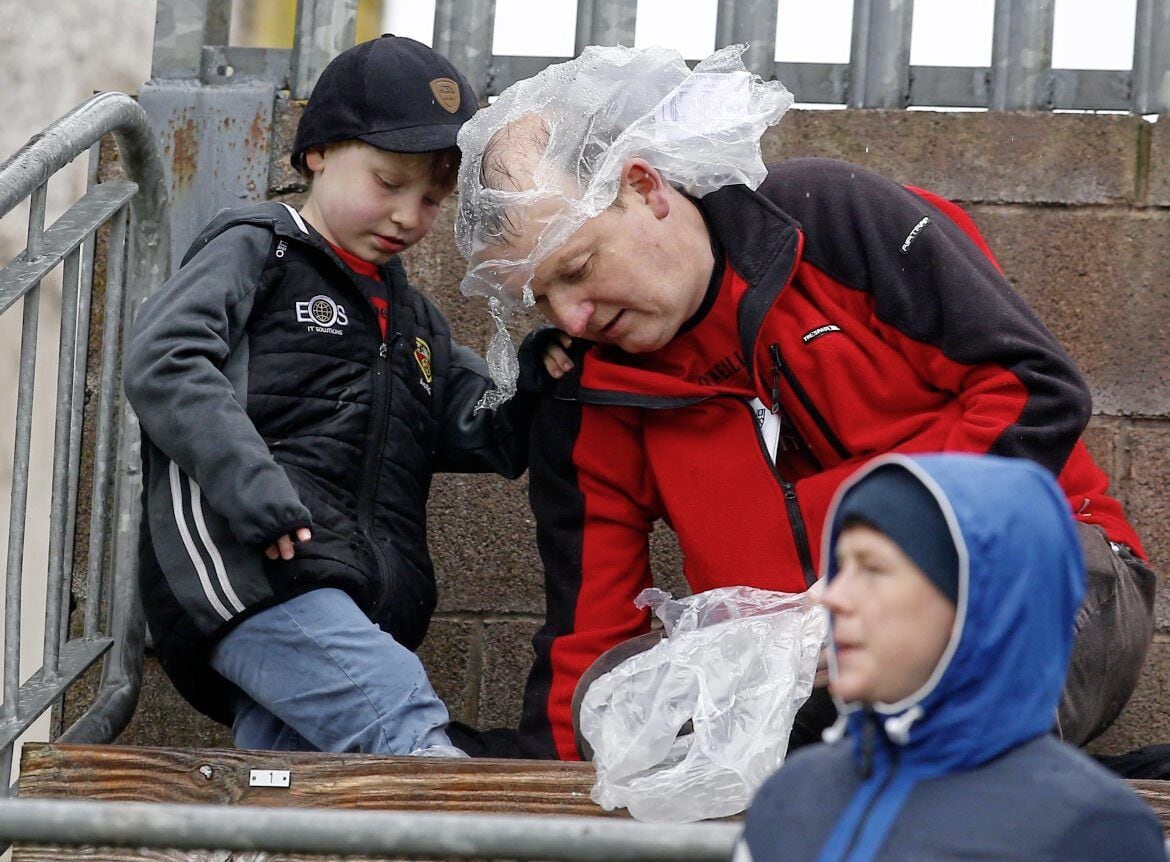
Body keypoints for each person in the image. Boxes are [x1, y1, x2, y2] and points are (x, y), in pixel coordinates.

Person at [449, 45, 1156, 761]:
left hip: (1036, 578)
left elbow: (1034, 387)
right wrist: (554, 810)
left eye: (578, 268)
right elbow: (587, 630)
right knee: (623, 698)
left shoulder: (835, 221)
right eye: (542, 297)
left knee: (950, 673)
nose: (570, 317)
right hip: (796, 666)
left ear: (645, 187)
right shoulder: (585, 388)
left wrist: (891, 581)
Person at [123, 35, 552, 755]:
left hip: (353, 598)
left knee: (292, 793)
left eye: (432, 199)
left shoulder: (414, 319)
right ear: (318, 152)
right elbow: (164, 361)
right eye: (388, 183)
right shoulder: (260, 246)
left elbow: (485, 428)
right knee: (404, 728)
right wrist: (254, 490)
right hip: (256, 567)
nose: (409, 216)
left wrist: (549, 373)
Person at [732, 453, 1165, 861]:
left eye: (874, 570)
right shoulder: (789, 798)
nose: (831, 599)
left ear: (979, 601)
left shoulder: (1091, 828)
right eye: (839, 567)